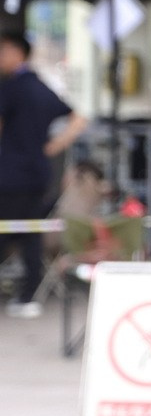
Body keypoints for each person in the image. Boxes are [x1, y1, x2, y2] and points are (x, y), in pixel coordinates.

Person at [0, 31, 88, 318]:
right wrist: (53, 146)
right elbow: (78, 118)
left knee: (14, 232)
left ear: (16, 51)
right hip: (37, 172)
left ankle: (27, 294)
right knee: (29, 234)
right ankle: (28, 294)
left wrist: (53, 145)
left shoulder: (13, 88)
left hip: (12, 174)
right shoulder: (39, 86)